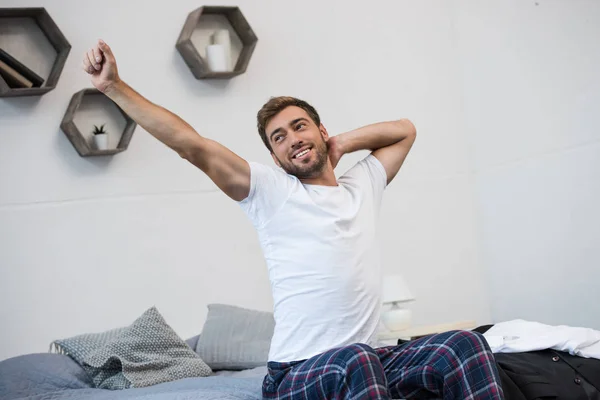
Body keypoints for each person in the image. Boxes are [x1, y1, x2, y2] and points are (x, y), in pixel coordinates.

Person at [82, 39, 504, 399]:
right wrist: (113, 86)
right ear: (273, 158)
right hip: (296, 373)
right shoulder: (272, 193)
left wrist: (342, 143)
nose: (291, 140)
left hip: (372, 358)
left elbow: (405, 130)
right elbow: (193, 146)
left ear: (321, 130)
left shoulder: (363, 185)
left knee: (464, 344)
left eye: (299, 127)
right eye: (278, 138)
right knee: (356, 360)